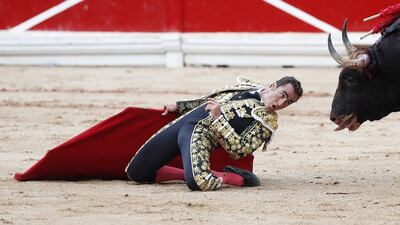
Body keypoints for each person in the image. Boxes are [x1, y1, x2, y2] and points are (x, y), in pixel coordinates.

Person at [125, 76, 303, 191]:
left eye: (288, 102)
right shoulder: (248, 86)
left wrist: (218, 119)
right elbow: (211, 99)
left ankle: (235, 178)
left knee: (199, 182)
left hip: (201, 133)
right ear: (273, 86)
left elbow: (240, 150)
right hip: (186, 120)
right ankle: (185, 173)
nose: (281, 103)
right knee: (137, 173)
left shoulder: (268, 121)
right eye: (282, 95)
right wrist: (180, 106)